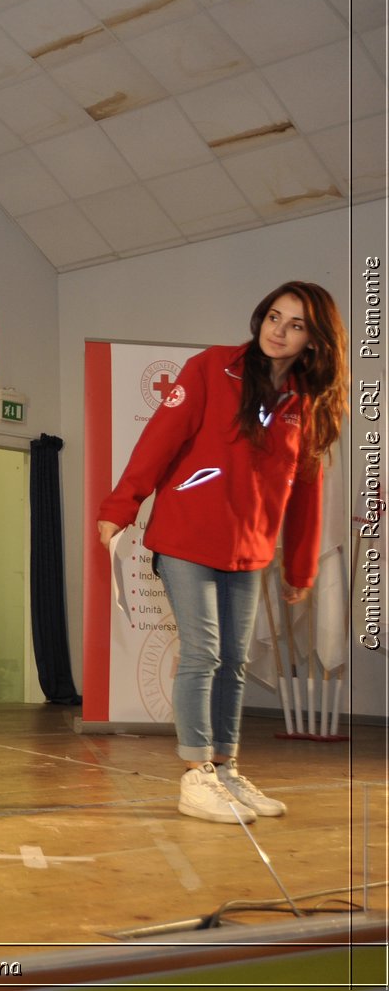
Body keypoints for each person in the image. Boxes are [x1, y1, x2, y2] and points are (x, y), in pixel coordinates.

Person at [97, 282, 346, 824]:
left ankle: (224, 769)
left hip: (250, 551)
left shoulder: (308, 404)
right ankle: (194, 775)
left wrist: (300, 566)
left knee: (234, 662)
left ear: (314, 340)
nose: (278, 330)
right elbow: (160, 440)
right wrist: (121, 505)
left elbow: (306, 491)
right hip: (187, 536)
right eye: (274, 316)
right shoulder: (213, 368)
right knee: (203, 653)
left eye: (296, 324)